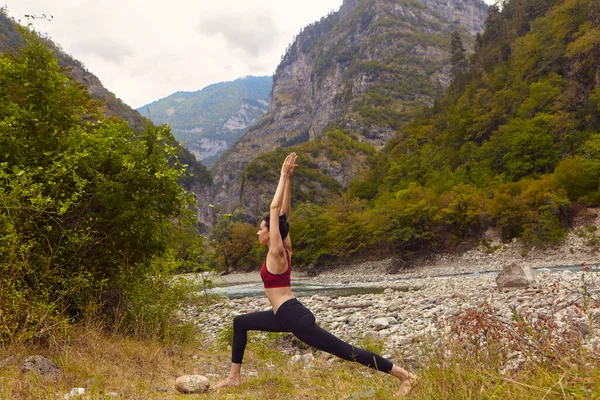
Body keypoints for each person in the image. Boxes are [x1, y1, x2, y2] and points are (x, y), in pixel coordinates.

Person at [216, 152, 417, 395]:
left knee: (347, 352)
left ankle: (405, 377)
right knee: (240, 323)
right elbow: (284, 216)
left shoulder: (277, 252)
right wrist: (289, 180)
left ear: (271, 233)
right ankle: (233, 377)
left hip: (294, 317)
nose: (257, 233)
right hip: (283, 314)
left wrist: (281, 175)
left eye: (261, 229)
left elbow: (274, 208)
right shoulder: (285, 249)